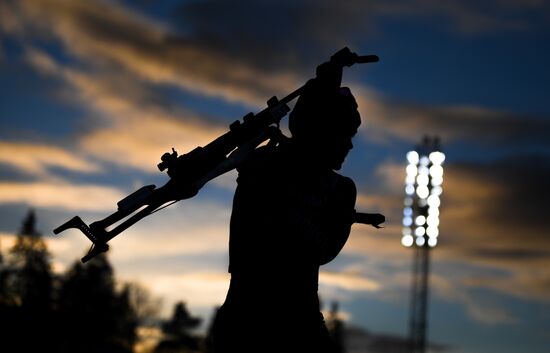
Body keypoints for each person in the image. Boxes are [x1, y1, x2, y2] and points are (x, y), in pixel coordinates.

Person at [212, 60, 362, 353]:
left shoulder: (339, 189)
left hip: (299, 321)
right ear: (320, 132)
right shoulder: (262, 164)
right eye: (344, 134)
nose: (349, 145)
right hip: (246, 320)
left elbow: (324, 250)